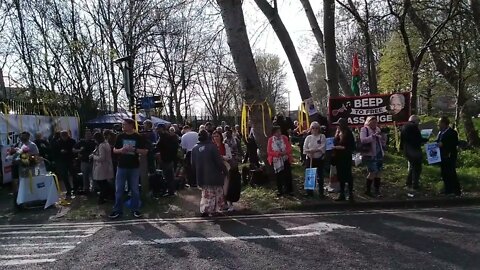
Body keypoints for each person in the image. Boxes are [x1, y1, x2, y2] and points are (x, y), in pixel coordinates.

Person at [109, 119, 148, 219]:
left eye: (125, 124)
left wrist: (134, 150)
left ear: (131, 125)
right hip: (121, 166)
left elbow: (145, 151)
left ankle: (135, 210)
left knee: (135, 189)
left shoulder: (138, 137)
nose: (123, 126)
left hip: (134, 167)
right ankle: (117, 210)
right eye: (122, 124)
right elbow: (114, 150)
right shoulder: (120, 136)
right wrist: (121, 150)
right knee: (119, 189)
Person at [191, 130, 228, 217]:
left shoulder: (194, 148)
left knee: (206, 194)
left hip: (202, 175)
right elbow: (218, 162)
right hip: (214, 175)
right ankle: (215, 210)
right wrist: (225, 170)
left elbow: (193, 164)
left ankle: (205, 209)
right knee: (216, 193)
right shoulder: (212, 147)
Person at [360, 116, 386, 197]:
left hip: (379, 153)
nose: (375, 124)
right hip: (370, 154)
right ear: (368, 122)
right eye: (373, 122)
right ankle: (367, 190)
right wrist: (373, 136)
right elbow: (363, 140)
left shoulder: (378, 129)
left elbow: (381, 142)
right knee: (373, 172)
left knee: (379, 172)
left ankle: (377, 190)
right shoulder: (364, 129)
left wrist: (383, 137)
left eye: (376, 122)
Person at [332, 118, 356, 202]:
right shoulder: (337, 133)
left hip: (346, 157)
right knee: (340, 176)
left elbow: (352, 146)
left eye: (339, 125)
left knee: (348, 175)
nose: (337, 126)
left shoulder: (348, 133)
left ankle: (350, 194)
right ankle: (341, 194)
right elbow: (334, 143)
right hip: (338, 157)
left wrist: (343, 147)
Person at [436, 117, 461, 196]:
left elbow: (454, 143)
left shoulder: (452, 132)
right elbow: (438, 141)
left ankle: (456, 191)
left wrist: (443, 144)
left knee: (451, 173)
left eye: (439, 123)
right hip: (442, 156)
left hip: (449, 156)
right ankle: (448, 189)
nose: (438, 124)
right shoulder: (440, 132)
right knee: (444, 173)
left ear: (443, 123)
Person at [400, 115, 425, 191]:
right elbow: (418, 139)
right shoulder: (414, 127)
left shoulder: (404, 127)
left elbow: (402, 140)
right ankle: (415, 185)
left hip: (407, 150)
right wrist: (425, 140)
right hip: (414, 150)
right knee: (417, 168)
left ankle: (409, 183)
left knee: (412, 167)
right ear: (415, 120)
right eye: (418, 121)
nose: (418, 123)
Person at [267, 126, 293, 197]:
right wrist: (277, 154)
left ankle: (289, 190)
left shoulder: (284, 138)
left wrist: (285, 152)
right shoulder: (270, 140)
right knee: (279, 176)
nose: (279, 133)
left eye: (279, 131)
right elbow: (269, 151)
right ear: (273, 133)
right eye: (277, 132)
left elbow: (289, 148)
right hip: (277, 160)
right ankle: (280, 190)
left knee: (287, 175)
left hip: (285, 158)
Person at [155, 123, 179, 197]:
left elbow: (159, 147)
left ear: (162, 129)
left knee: (168, 176)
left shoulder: (164, 137)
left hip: (166, 159)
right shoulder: (169, 136)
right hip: (170, 158)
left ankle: (170, 192)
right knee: (170, 176)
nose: (156, 130)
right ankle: (171, 191)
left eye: (158, 129)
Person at [303, 122, 326, 197]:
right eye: (313, 128)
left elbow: (322, 147)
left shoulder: (322, 136)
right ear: (311, 129)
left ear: (319, 129)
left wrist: (314, 150)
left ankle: (321, 192)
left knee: (320, 176)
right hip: (310, 158)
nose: (315, 129)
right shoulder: (308, 137)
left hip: (319, 159)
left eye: (316, 128)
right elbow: (305, 148)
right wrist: (309, 151)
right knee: (310, 175)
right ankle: (309, 192)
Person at [90, 132, 114, 204]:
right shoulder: (106, 144)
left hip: (101, 166)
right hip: (106, 166)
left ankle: (102, 198)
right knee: (104, 182)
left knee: (101, 183)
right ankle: (111, 195)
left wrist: (93, 156)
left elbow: (102, 158)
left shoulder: (101, 145)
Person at [53, 130, 77, 198]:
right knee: (64, 176)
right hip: (62, 161)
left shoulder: (72, 141)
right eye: (62, 136)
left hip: (70, 160)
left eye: (65, 136)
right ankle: (68, 190)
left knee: (74, 175)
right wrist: (60, 153)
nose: (64, 138)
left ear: (67, 135)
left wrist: (68, 152)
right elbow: (55, 152)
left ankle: (75, 189)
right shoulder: (58, 142)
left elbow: (74, 150)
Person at [73, 129, 97, 194]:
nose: (88, 135)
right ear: (84, 135)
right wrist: (79, 151)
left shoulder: (94, 142)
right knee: (85, 176)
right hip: (84, 162)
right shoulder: (81, 142)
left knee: (94, 176)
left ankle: (94, 189)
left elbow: (97, 150)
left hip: (93, 162)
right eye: (87, 134)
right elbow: (73, 149)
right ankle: (86, 189)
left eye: (89, 134)